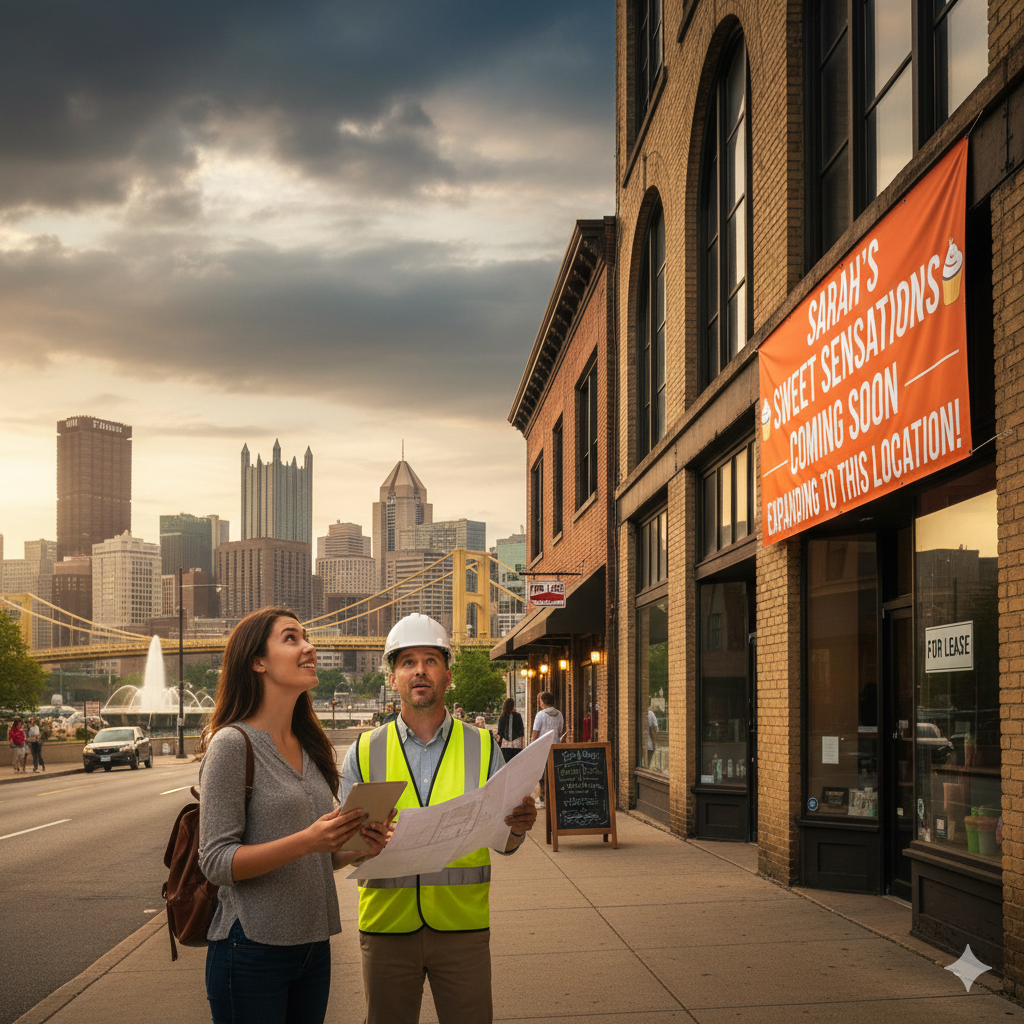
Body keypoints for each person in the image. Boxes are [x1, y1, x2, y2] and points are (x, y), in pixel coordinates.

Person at [341, 613, 538, 1024]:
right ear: (392, 678)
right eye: (407, 662)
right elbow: (342, 852)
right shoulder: (363, 751)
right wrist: (362, 843)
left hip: (462, 929)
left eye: (430, 660)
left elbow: (504, 842)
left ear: (448, 675)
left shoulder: (483, 746)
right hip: (386, 930)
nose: (419, 671)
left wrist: (517, 828)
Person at [198, 607, 392, 1024]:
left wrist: (359, 846)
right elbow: (215, 862)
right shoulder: (232, 744)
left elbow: (318, 855)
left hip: (313, 949)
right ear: (257, 661)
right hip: (250, 949)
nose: (310, 647)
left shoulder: (310, 746)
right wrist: (309, 839)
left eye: (306, 637)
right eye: (292, 638)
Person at [531, 692, 564, 805]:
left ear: (543, 702)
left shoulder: (540, 715)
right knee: (554, 772)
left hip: (542, 748)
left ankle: (543, 797)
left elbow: (535, 733)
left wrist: (532, 748)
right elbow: (560, 731)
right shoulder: (559, 714)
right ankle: (553, 797)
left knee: (542, 773)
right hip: (555, 747)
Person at [495, 698, 524, 763]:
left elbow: (500, 733)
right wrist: (523, 745)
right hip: (517, 744)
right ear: (513, 705)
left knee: (506, 764)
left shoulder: (502, 717)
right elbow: (521, 731)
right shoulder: (518, 716)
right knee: (516, 764)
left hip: (505, 745)